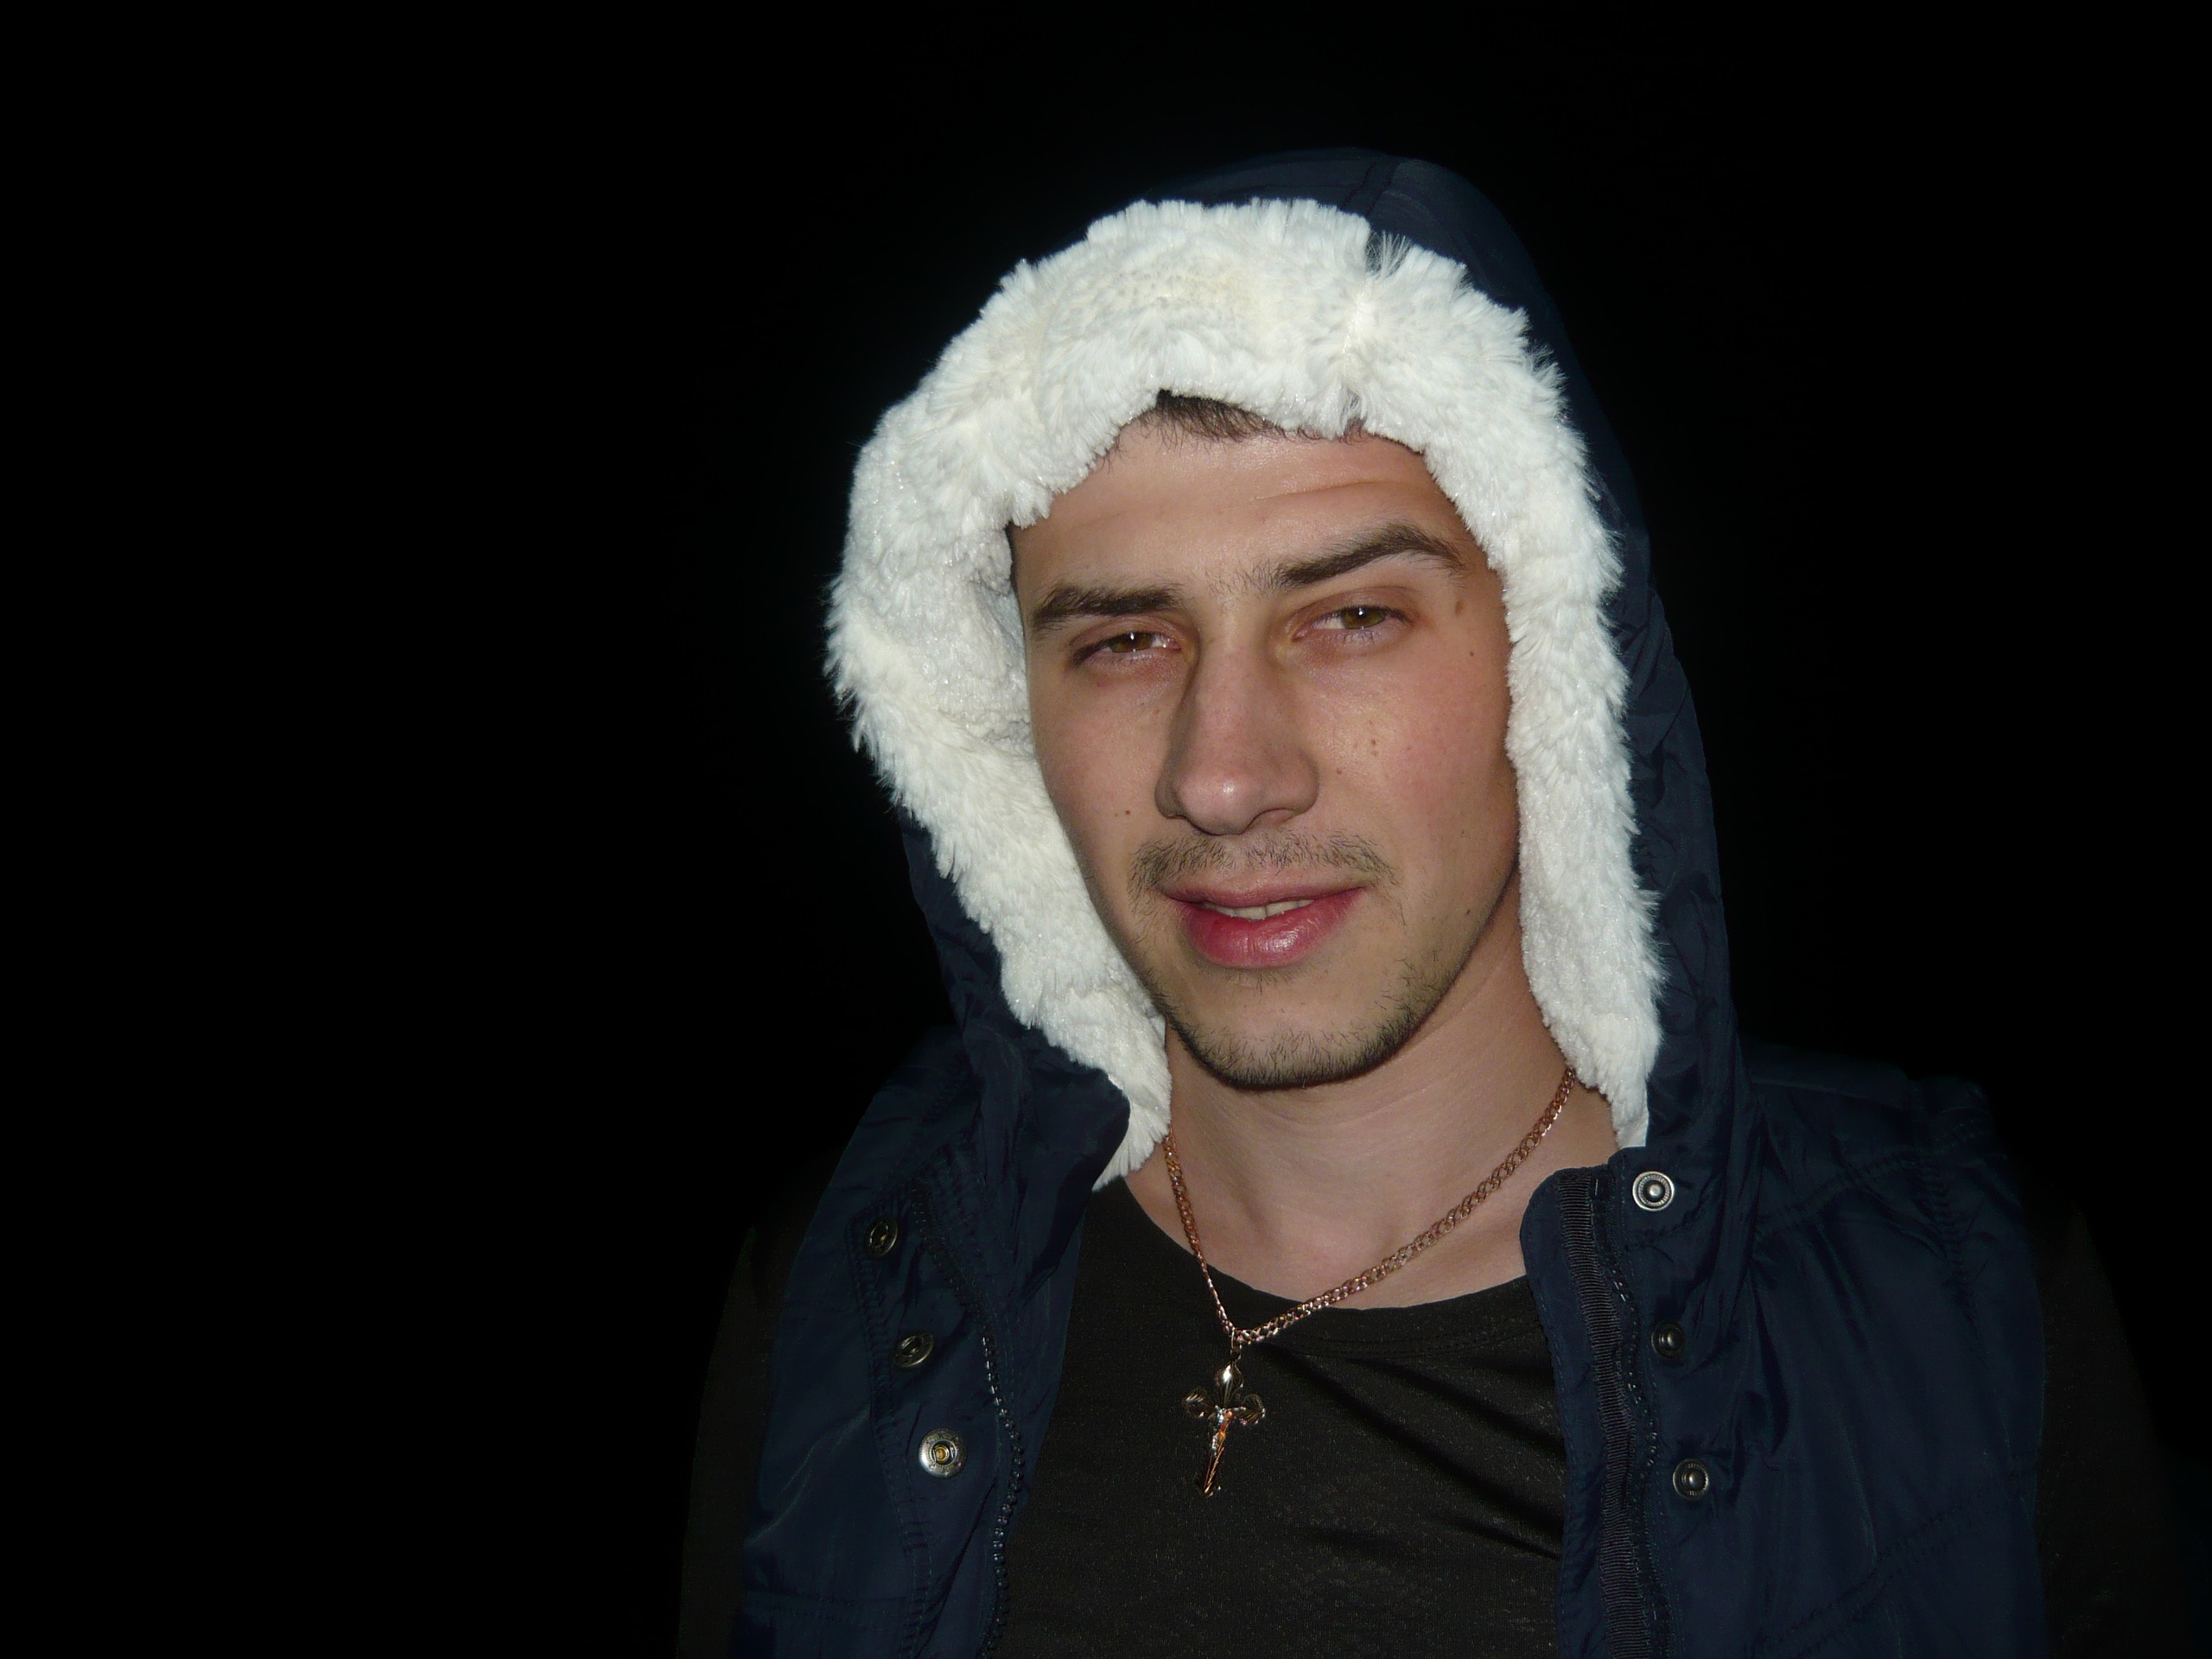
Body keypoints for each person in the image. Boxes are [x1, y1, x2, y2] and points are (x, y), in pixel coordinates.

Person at [681, 153, 2186, 1657]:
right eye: (1125, 641)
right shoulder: (857, 1288)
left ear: (1557, 661)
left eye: (1352, 617)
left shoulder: (1958, 1303)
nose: (1223, 779)